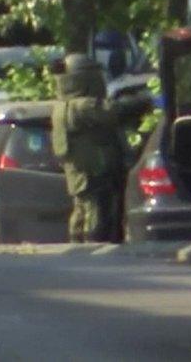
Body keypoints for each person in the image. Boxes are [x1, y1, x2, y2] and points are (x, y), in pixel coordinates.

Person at [50, 53, 127, 243]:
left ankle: (78, 245)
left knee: (81, 208)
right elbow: (113, 112)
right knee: (95, 210)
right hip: (94, 169)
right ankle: (93, 245)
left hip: (78, 169)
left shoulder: (61, 107)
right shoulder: (83, 106)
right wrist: (144, 100)